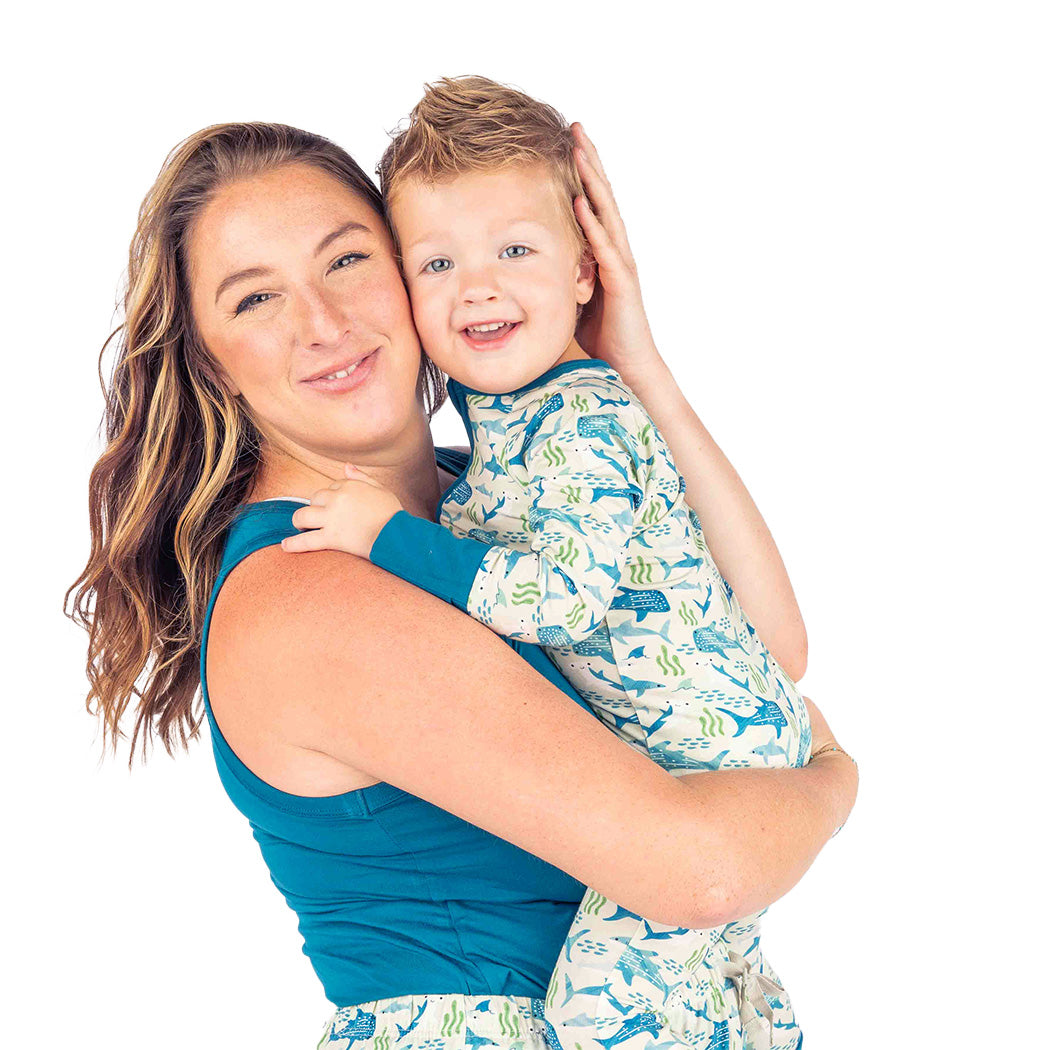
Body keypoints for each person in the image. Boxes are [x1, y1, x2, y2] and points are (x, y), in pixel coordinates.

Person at [66, 120, 857, 1050]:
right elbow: (703, 873)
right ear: (210, 366)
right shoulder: (311, 594)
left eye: (348, 260)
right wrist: (832, 781)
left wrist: (631, 367)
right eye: (255, 300)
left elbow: (767, 647)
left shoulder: (488, 505)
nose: (323, 324)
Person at [281, 76, 813, 1050]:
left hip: (717, 759)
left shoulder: (580, 419)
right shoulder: (512, 436)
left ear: (586, 271)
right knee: (690, 997)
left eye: (515, 250)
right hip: (705, 751)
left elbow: (562, 605)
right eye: (437, 261)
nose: (477, 284)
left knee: (601, 1014)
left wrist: (389, 537)